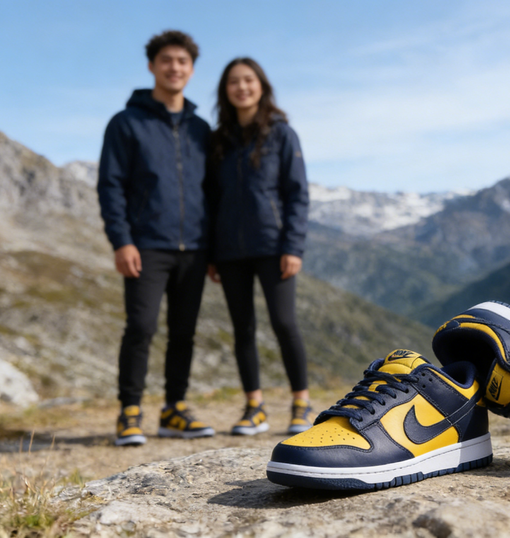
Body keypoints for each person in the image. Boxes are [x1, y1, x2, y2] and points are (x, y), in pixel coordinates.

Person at [98, 30, 215, 446]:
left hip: (195, 248)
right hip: (145, 244)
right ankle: (129, 411)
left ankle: (173, 410)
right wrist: (121, 240)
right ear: (152, 66)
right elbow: (110, 185)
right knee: (141, 327)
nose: (174, 68)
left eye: (182, 61)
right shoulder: (126, 123)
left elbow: (212, 192)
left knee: (184, 332)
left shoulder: (201, 129)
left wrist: (215, 249)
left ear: (192, 69)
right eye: (166, 60)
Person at [207, 57, 312, 436]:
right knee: (243, 328)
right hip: (229, 250)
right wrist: (211, 253)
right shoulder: (218, 140)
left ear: (261, 86)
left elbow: (297, 194)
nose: (242, 87)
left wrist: (293, 246)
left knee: (284, 323)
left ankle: (301, 403)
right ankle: (254, 407)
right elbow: (211, 198)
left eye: (248, 80)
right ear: (225, 91)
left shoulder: (282, 134)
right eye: (234, 82)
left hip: (273, 245)